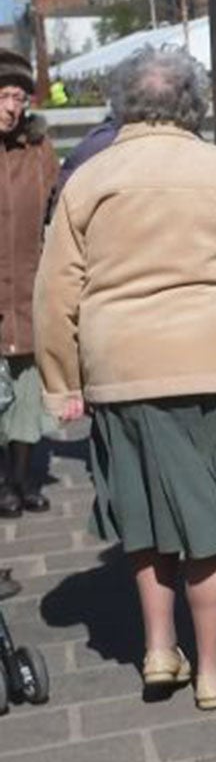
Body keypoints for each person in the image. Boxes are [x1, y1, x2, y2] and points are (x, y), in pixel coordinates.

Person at [35, 48, 216, 710]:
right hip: (208, 360)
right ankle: (213, 668)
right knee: (215, 520)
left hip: (117, 368)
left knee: (144, 513)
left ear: (125, 104)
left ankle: (159, 650)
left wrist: (59, 380)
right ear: (194, 104)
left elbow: (54, 293)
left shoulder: (89, 181)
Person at [0, 50, 57, 519]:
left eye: (18, 97)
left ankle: (21, 479)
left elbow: (58, 207)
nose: (11, 107)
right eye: (3, 95)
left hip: (28, 292)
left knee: (26, 395)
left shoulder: (37, 147)